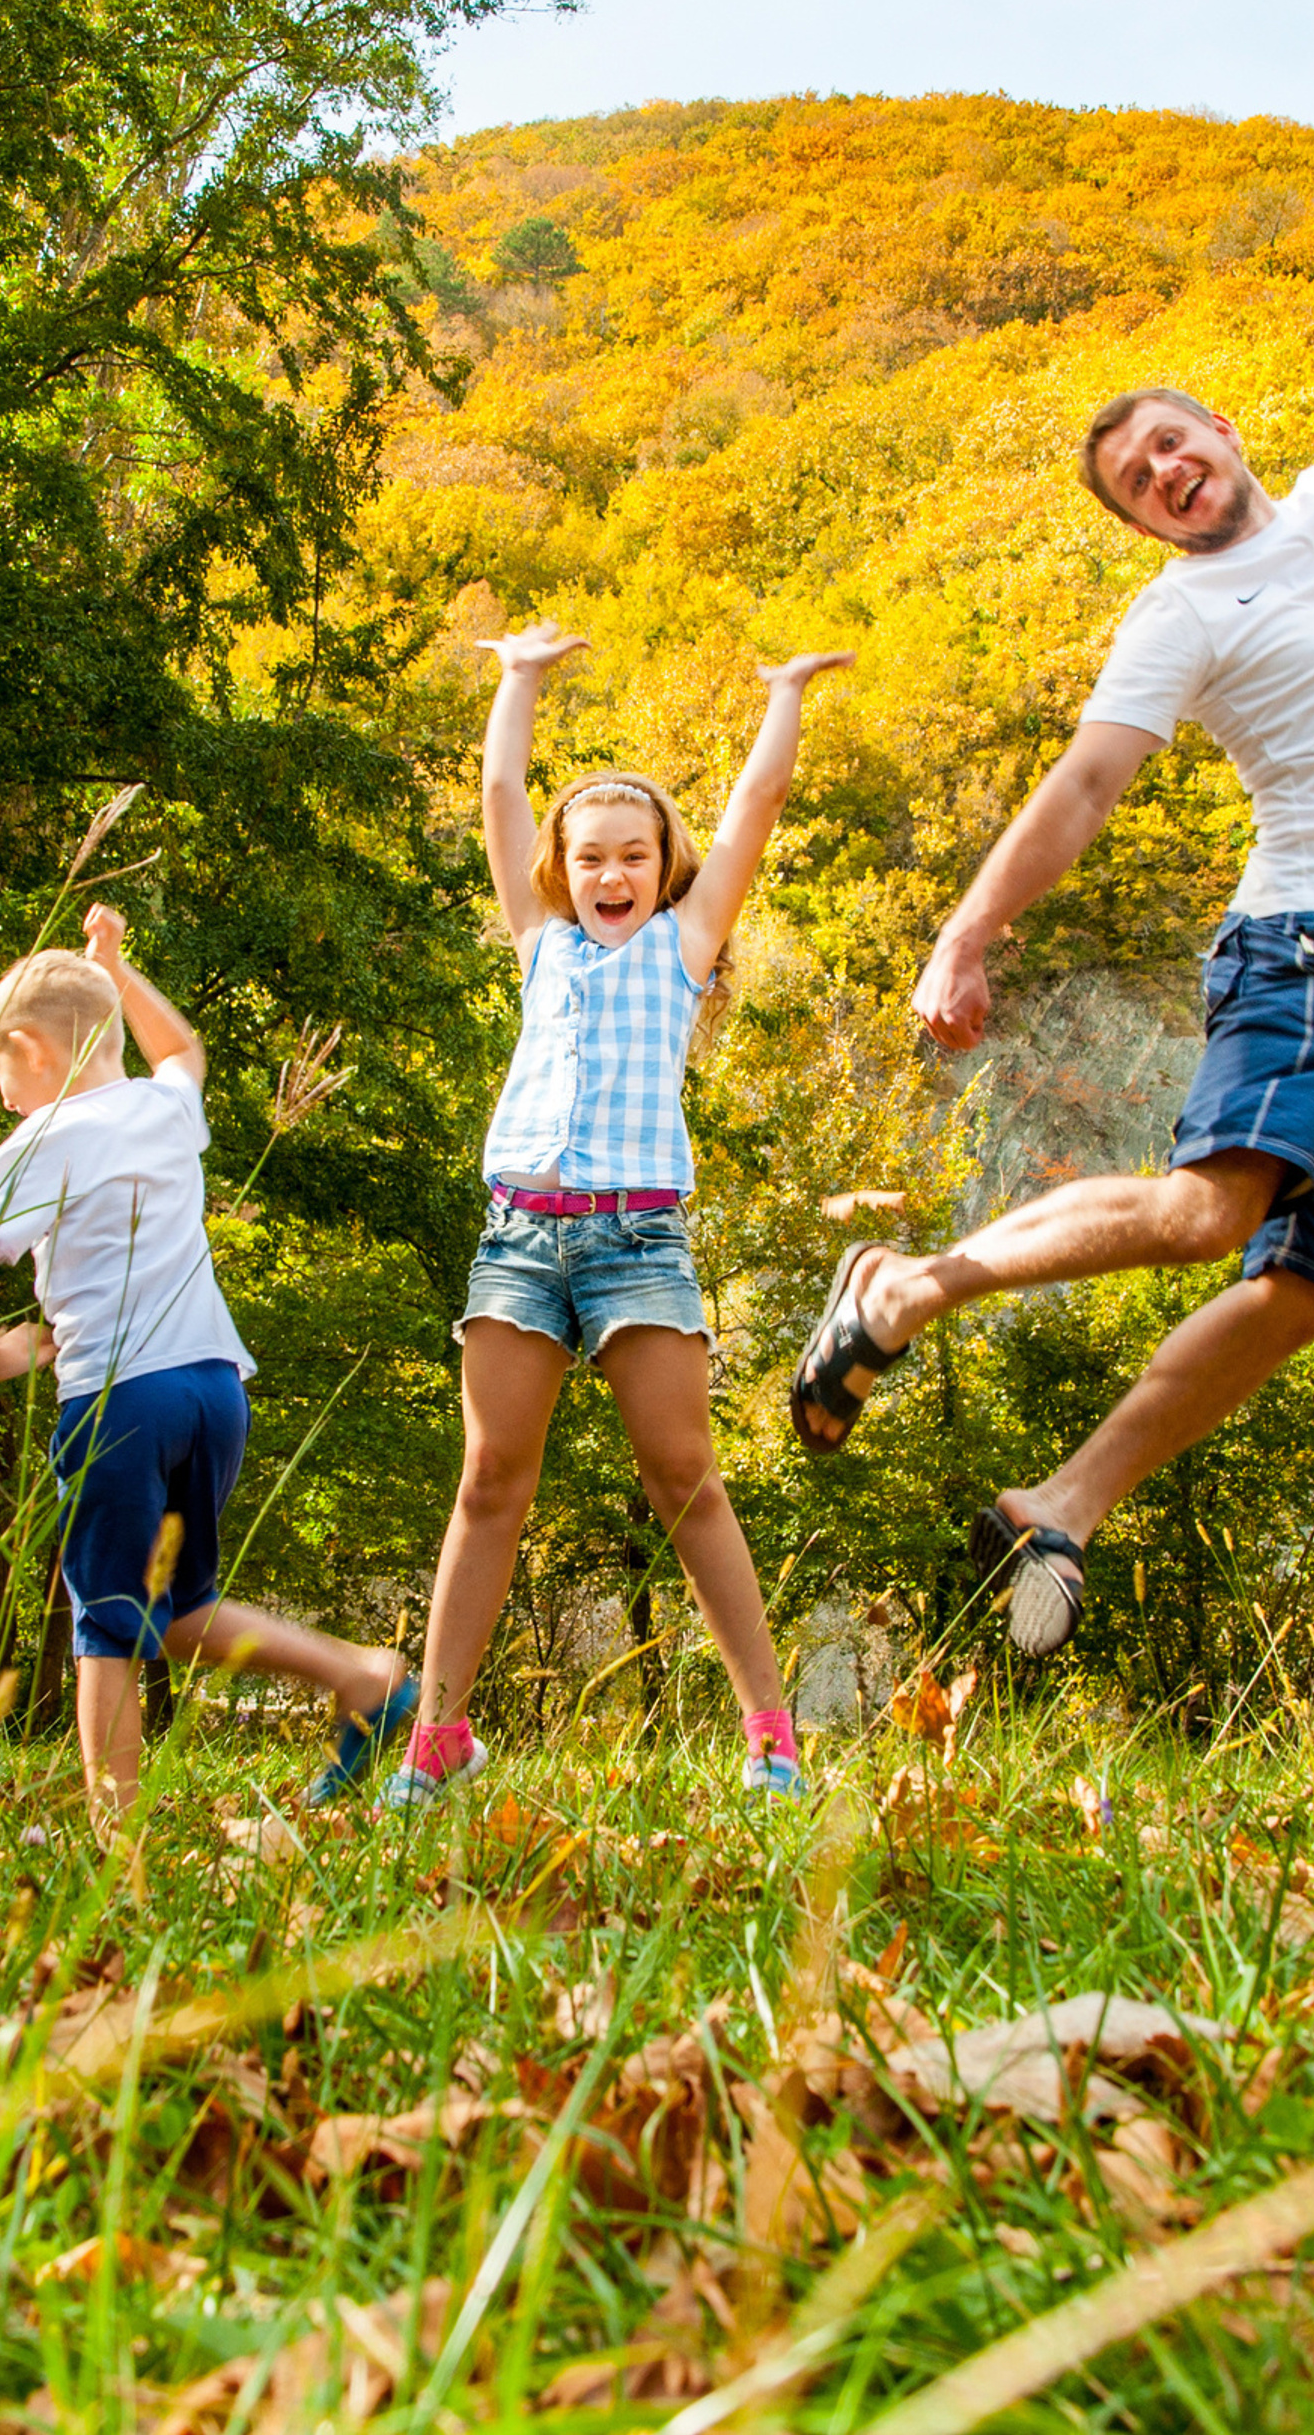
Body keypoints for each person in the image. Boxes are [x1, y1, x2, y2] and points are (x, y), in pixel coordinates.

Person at [790, 170, 1314, 1657]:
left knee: (1306, 1295)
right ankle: (909, 1286)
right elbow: (1086, 786)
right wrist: (964, 933)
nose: (1168, 475)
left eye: (1173, 445)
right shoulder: (1181, 617)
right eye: (1139, 482)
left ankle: (1064, 1498)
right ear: (1140, 524)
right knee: (1198, 1216)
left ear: (1224, 434)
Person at [388, 626, 856, 1811]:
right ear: (561, 867)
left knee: (682, 1469)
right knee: (491, 1475)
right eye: (589, 854)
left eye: (632, 856)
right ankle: (437, 1737)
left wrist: (786, 689)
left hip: (639, 1239)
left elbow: (759, 801)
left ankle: (768, 1733)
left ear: (661, 869)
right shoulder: (538, 946)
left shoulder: (683, 950)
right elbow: (498, 790)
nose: (609, 873)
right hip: (520, 1237)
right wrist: (518, 679)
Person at [0, 906, 413, 1832]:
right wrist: (116, 967)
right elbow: (183, 1051)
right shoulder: (162, 1109)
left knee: (105, 1624)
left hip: (121, 1398)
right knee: (177, 1614)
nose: (1, 1098)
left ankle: (114, 1829)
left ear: (32, 1049)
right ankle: (359, 1677)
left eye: (0, 1072)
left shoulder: (42, 1138)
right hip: (212, 1388)